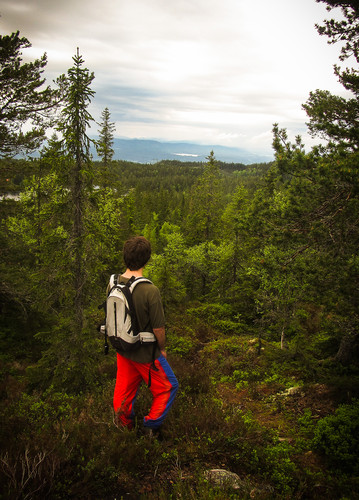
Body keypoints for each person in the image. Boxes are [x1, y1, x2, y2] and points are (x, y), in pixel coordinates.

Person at [111, 236, 178, 437]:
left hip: (122, 349)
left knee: (123, 393)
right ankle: (151, 426)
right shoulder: (150, 290)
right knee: (168, 386)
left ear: (125, 257)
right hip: (145, 354)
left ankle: (124, 430)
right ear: (147, 259)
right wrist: (162, 349)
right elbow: (159, 328)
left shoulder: (114, 283)